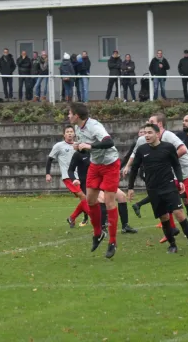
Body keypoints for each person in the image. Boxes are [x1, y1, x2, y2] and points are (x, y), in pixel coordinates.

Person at [123, 113, 188, 249]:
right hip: (173, 176)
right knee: (168, 200)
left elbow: (183, 149)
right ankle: (171, 231)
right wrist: (127, 166)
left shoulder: (168, 136)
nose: (148, 125)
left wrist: (166, 160)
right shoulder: (145, 139)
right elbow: (135, 153)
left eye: (151, 122)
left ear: (159, 125)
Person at [68, 102, 121, 259]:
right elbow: (87, 145)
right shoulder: (78, 127)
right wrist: (79, 146)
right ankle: (98, 233)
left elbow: (109, 141)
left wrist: (89, 146)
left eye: (70, 113)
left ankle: (112, 241)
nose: (68, 116)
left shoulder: (94, 126)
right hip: (96, 165)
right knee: (90, 200)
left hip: (110, 165)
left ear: (77, 115)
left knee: (110, 202)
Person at [46, 126, 89, 228]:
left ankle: (72, 218)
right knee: (83, 196)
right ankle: (96, 219)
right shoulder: (59, 146)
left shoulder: (78, 145)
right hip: (68, 177)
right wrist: (48, 173)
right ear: (64, 135)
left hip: (81, 176)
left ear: (74, 134)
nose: (70, 133)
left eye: (71, 131)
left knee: (86, 198)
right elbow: (49, 159)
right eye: (67, 132)